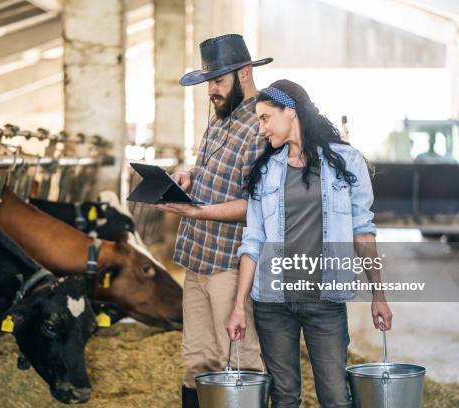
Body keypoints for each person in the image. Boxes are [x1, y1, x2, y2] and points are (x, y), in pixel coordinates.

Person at [226, 79, 393, 408]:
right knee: (285, 397)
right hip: (272, 304)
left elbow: (362, 231)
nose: (261, 129)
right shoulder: (266, 171)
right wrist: (237, 307)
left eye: (264, 118)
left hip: (325, 301)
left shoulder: (345, 162)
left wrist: (378, 294)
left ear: (290, 112)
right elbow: (253, 240)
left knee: (334, 397)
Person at [154, 34, 270, 408]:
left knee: (238, 356)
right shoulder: (220, 119)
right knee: (197, 358)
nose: (211, 91)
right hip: (196, 256)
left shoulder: (261, 124)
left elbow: (257, 204)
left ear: (245, 73)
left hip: (230, 262)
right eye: (208, 83)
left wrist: (199, 210)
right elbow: (212, 172)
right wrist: (189, 176)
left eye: (218, 81)